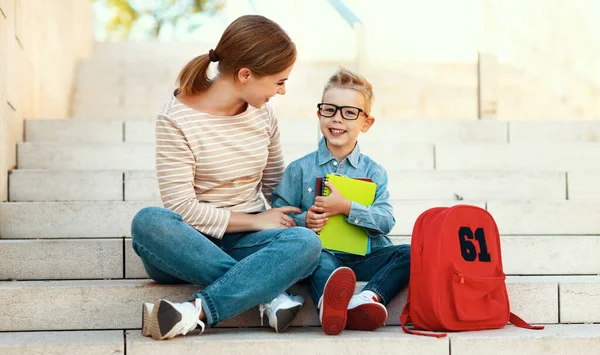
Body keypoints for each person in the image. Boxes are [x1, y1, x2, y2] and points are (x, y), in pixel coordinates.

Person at [130, 15, 322, 341]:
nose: (283, 90)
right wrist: (256, 221)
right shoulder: (175, 118)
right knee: (148, 222)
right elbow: (183, 208)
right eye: (279, 81)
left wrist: (305, 215)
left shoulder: (263, 114)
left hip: (247, 245)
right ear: (245, 75)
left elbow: (277, 188)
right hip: (188, 247)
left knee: (306, 244)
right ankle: (267, 292)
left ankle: (194, 311)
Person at [271, 68, 411, 335]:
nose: (337, 119)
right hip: (323, 255)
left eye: (349, 113)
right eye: (330, 110)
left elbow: (386, 220)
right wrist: (305, 220)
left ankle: (367, 298)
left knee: (412, 253)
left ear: (366, 123)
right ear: (319, 113)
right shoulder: (299, 169)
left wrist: (347, 207)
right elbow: (278, 215)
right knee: (320, 260)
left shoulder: (374, 172)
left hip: (366, 255)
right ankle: (330, 304)